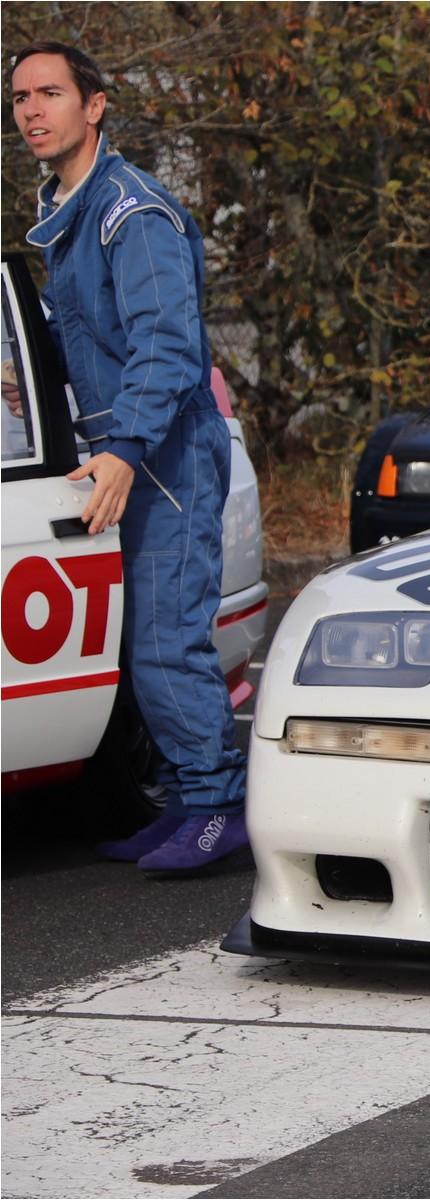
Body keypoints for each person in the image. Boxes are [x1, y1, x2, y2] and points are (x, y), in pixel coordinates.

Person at [11, 41, 248, 870]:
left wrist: (123, 449)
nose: (31, 111)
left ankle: (218, 807)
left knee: (165, 641)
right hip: (130, 449)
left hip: (164, 452)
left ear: (95, 105)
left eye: (49, 93)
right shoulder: (70, 211)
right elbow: (87, 335)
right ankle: (184, 800)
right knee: (142, 643)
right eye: (19, 98)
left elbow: (167, 346)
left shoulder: (129, 211)